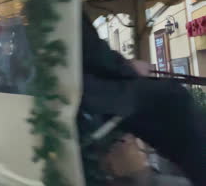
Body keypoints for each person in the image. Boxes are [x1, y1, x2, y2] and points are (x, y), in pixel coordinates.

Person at [81, 13, 206, 186]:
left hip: (83, 92)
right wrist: (128, 67)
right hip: (88, 94)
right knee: (174, 98)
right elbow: (92, 53)